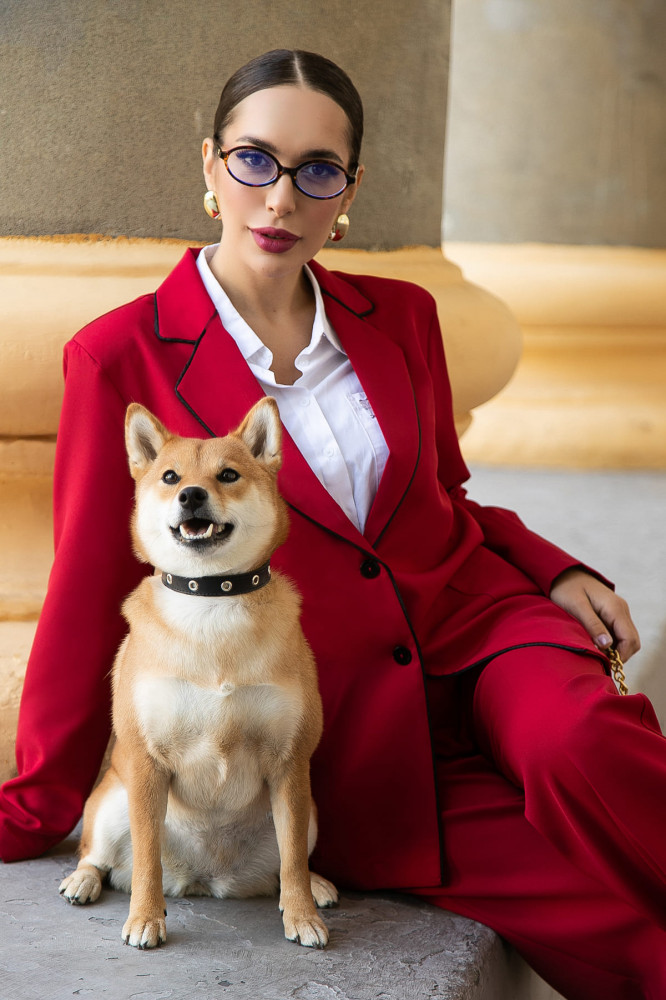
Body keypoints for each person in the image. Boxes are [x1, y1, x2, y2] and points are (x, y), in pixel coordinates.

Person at [1, 48, 665, 999]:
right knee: (612, 926)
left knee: (584, 743)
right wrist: (33, 805)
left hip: (481, 631)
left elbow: (449, 496)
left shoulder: (405, 315)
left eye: (317, 170)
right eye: (254, 161)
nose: (281, 199)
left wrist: (557, 571)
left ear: (347, 188)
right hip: (349, 727)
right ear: (210, 165)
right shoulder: (117, 354)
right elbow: (86, 587)